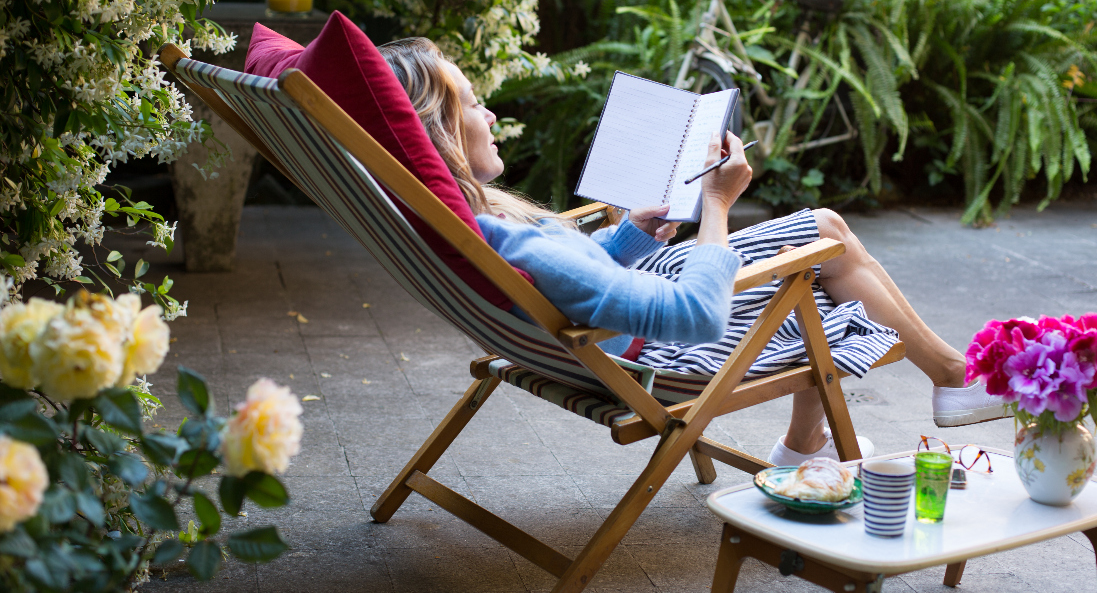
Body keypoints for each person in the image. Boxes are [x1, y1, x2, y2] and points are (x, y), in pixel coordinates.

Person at [378, 38, 1006, 465]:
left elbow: (567, 281)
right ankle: (944, 380)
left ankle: (812, 442)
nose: (490, 115)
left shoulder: (463, 224)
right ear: (438, 129)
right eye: (472, 102)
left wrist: (627, 238)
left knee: (819, 246)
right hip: (663, 351)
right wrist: (717, 207)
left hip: (600, 338)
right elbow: (692, 316)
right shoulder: (503, 233)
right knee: (824, 242)